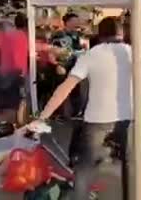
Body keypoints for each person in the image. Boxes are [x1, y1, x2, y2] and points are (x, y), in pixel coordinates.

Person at [29, 17, 133, 200]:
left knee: (85, 170)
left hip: (98, 118)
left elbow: (66, 87)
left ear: (100, 34)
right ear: (121, 32)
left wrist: (43, 116)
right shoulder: (131, 52)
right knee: (130, 168)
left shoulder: (92, 54)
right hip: (128, 118)